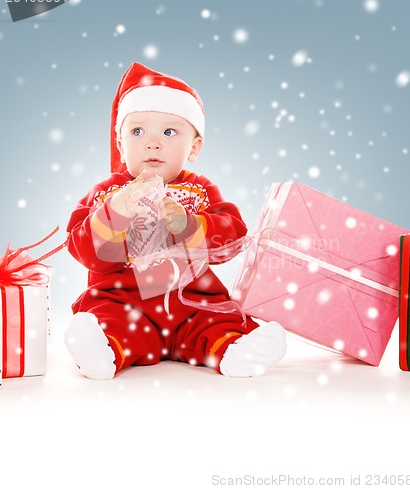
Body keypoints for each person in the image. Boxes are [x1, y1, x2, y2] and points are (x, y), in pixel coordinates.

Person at [64, 62, 287, 380]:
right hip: (127, 304)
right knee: (109, 319)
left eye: (169, 132)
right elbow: (84, 250)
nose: (152, 143)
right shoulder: (107, 193)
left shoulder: (199, 189)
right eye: (137, 131)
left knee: (218, 321)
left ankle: (237, 351)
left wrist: (190, 225)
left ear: (194, 147)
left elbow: (233, 235)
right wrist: (116, 214)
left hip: (192, 303)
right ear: (120, 143)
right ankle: (100, 350)